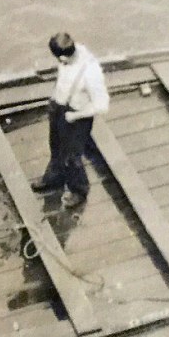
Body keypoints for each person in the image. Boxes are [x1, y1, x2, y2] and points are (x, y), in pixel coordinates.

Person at [30, 33, 110, 207]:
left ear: (64, 56)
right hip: (60, 108)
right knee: (56, 146)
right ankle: (54, 177)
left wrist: (75, 115)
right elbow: (64, 79)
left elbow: (102, 105)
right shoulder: (70, 54)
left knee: (72, 157)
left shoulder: (90, 72)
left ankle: (79, 190)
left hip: (77, 116)